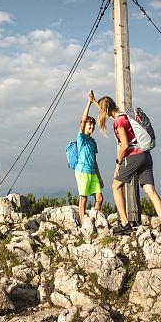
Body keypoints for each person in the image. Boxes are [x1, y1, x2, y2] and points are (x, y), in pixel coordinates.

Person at [89, 92, 161, 239]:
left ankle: (125, 224)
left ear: (106, 110)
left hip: (133, 156)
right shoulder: (124, 115)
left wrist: (118, 163)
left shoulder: (118, 121)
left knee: (115, 186)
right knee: (151, 191)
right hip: (146, 155)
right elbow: (108, 113)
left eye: (101, 111)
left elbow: (125, 145)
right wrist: (95, 102)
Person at [74, 90, 104, 225]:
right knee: (83, 199)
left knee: (99, 198)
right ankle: (82, 224)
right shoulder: (81, 138)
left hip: (92, 173)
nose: (91, 126)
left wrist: (100, 177)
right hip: (82, 172)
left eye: (92, 125)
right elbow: (83, 120)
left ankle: (94, 219)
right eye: (89, 124)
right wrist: (89, 102)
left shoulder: (93, 142)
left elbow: (95, 162)